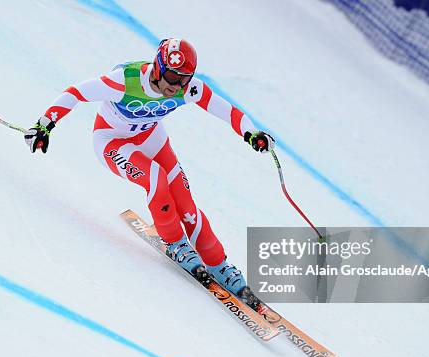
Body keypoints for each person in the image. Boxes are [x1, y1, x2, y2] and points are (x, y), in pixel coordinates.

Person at [25, 38, 275, 296]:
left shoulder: (187, 88)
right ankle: (176, 243)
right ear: (157, 68)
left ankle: (219, 263)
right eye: (171, 77)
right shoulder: (125, 80)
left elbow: (227, 110)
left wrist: (251, 133)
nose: (175, 86)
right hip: (113, 141)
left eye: (183, 79)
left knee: (185, 203)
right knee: (156, 178)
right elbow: (75, 93)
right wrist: (44, 125)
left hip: (151, 138)